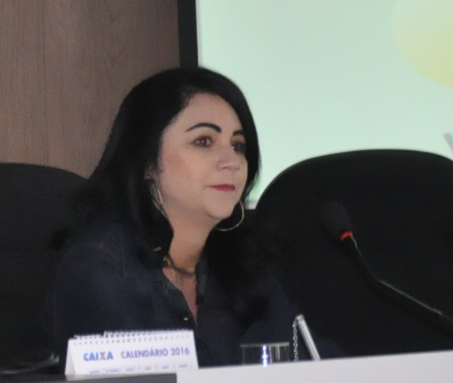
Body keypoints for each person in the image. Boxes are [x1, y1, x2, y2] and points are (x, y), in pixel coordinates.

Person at [43, 67, 302, 366]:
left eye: (238, 145)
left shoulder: (246, 262)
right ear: (147, 162)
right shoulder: (100, 267)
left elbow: (313, 363)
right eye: (204, 141)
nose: (232, 161)